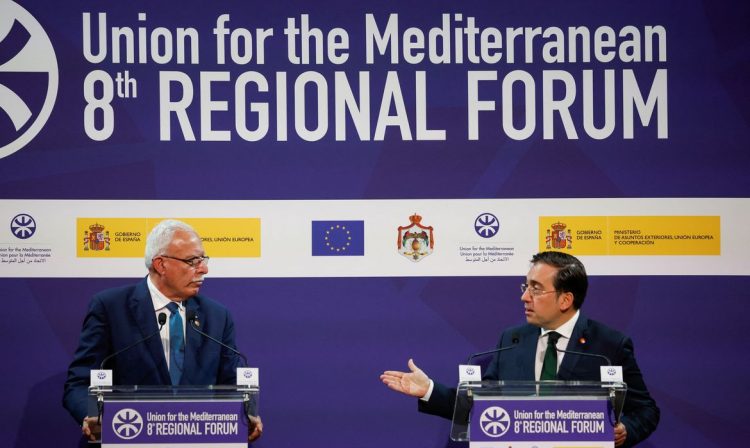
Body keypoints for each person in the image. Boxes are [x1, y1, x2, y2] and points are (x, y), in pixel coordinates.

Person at [381, 251, 659, 447]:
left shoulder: (608, 344)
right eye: (526, 286)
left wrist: (625, 431)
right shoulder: (513, 339)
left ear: (565, 299)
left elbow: (645, 411)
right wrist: (429, 389)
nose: (524, 296)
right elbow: (481, 405)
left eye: (536, 289)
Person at [63, 219, 262, 442]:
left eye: (203, 260)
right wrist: (91, 415)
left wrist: (247, 411)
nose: (204, 269)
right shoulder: (111, 308)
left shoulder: (217, 316)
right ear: (161, 264)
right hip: (128, 438)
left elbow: (232, 383)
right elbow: (80, 382)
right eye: (193, 261)